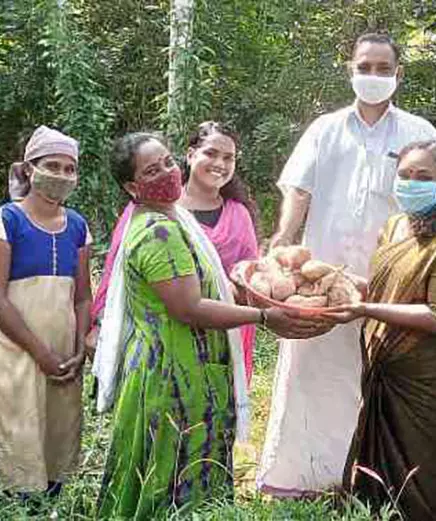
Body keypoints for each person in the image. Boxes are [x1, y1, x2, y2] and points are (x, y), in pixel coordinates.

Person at [93, 133, 328, 518]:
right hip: (171, 379)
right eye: (153, 170)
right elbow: (190, 308)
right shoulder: (159, 231)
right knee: (167, 481)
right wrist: (265, 316)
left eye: (168, 162)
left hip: (184, 372)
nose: (168, 173)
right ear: (132, 187)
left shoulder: (175, 217)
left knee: (177, 476)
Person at [261, 32, 436, 496]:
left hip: (391, 276)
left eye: (382, 68)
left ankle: (375, 477)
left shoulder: (419, 132)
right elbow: (298, 189)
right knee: (314, 369)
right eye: (364, 67)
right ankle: (303, 476)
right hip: (320, 276)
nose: (373, 76)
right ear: (350, 69)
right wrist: (284, 238)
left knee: (383, 371)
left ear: (398, 75)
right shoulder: (324, 129)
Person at [324, 141, 436, 520]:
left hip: (432, 376)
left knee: (427, 468)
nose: (410, 183)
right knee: (382, 479)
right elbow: (389, 288)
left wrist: (365, 308)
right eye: (404, 175)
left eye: (423, 177)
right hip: (390, 366)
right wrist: (337, 282)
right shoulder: (394, 226)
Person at [90, 121, 260, 382]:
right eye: (211, 153)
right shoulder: (154, 220)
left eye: (229, 158)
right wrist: (101, 325)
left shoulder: (236, 214)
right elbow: (116, 272)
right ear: (191, 155)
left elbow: (251, 273)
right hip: (166, 347)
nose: (220, 164)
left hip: (224, 333)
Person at [0, 126, 90, 496]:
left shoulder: (77, 226)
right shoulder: (5, 221)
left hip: (63, 355)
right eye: (52, 166)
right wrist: (40, 352)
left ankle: (49, 505)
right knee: (15, 432)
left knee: (55, 433)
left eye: (69, 169)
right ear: (28, 169)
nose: (61, 175)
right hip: (14, 351)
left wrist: (78, 352)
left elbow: (82, 297)